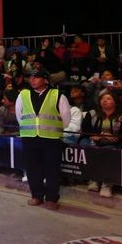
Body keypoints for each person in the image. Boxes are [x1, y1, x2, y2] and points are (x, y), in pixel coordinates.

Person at [15, 68, 71, 210]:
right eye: (31, 77)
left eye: (36, 77)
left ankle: (52, 198)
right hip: (30, 137)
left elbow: (66, 119)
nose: (32, 79)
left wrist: (52, 128)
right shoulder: (23, 94)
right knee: (33, 168)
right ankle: (37, 196)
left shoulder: (57, 95)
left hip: (51, 138)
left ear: (45, 80)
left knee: (52, 168)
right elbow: (19, 115)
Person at [80, 91, 122, 198]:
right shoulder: (92, 113)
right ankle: (93, 180)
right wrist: (100, 135)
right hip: (94, 140)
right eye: (102, 99)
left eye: (108, 99)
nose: (104, 100)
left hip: (114, 143)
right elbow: (85, 130)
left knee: (108, 151)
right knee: (89, 147)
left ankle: (107, 184)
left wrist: (115, 137)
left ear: (116, 102)